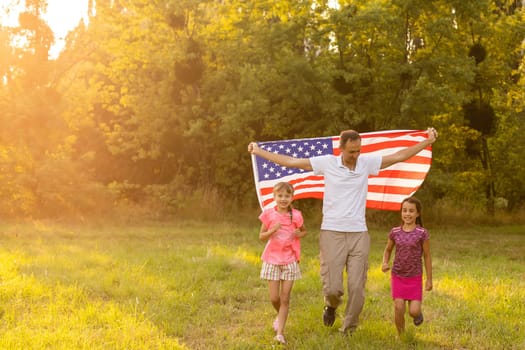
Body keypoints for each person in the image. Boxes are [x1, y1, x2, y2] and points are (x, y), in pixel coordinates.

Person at [248, 127, 438, 334]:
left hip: (359, 233)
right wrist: (259, 152)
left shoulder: (366, 163)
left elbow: (398, 156)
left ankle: (349, 329)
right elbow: (291, 162)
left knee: (357, 287)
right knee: (332, 288)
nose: (356, 155)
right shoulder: (327, 163)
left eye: (358, 151)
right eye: (351, 152)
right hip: (332, 232)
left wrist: (426, 142)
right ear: (341, 149)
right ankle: (331, 305)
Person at [258, 181, 307, 345]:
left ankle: (280, 333)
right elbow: (261, 236)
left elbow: (304, 231)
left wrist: (298, 233)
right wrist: (273, 229)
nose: (283, 199)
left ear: (292, 198)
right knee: (274, 298)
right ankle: (280, 316)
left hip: (290, 260)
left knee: (285, 298)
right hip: (272, 260)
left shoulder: (296, 215)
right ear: (274, 197)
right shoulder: (269, 214)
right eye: (280, 196)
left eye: (287, 196)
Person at [381, 196, 433, 336]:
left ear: (417, 213)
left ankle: (417, 314)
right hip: (398, 275)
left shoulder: (422, 233)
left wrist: (429, 279)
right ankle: (401, 336)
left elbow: (427, 256)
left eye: (411, 211)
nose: (407, 214)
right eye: (404, 210)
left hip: (414, 277)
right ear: (401, 212)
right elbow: (388, 250)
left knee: (413, 311)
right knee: (398, 307)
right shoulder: (395, 232)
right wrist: (385, 262)